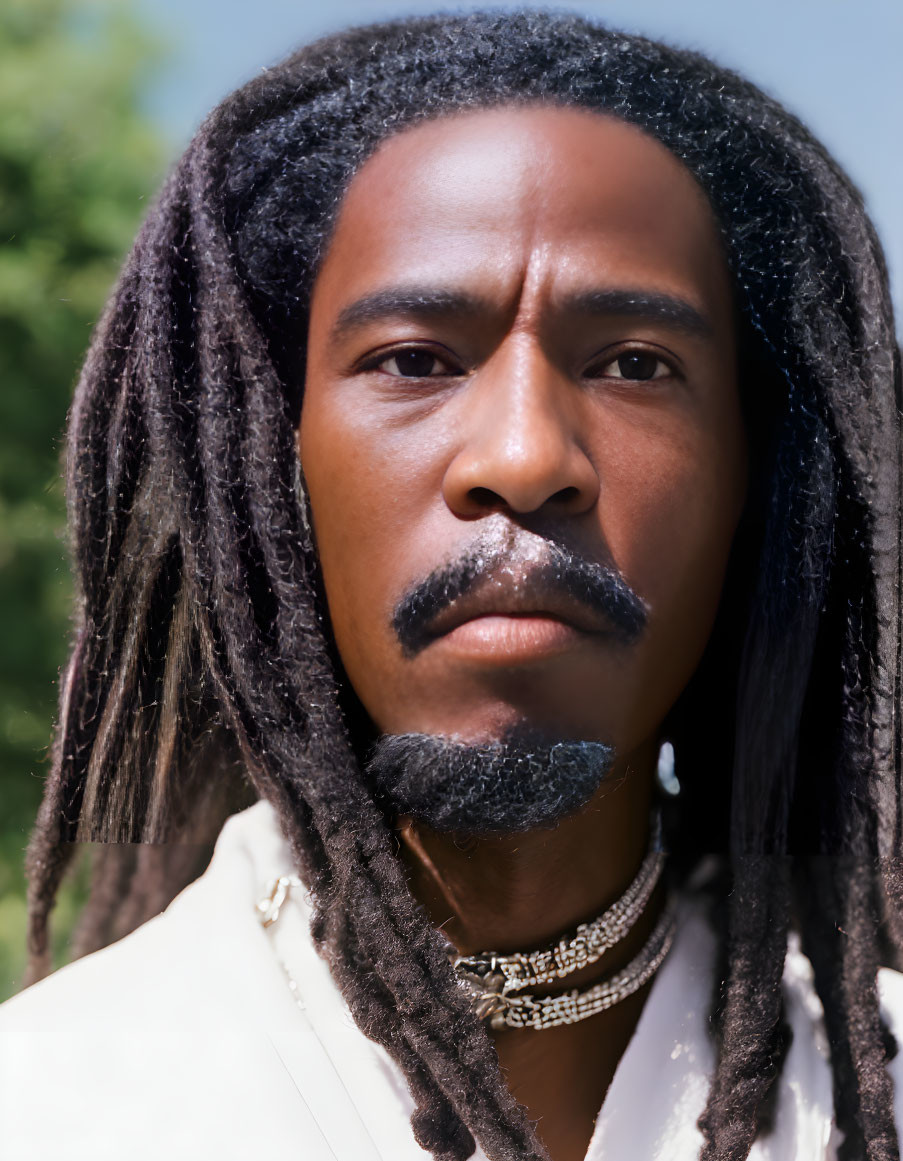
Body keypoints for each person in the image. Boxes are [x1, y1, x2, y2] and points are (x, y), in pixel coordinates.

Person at [1, 9, 900, 1161]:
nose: (523, 459)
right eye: (414, 360)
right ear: (280, 465)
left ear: (753, 481)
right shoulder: (51, 1106)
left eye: (635, 364)